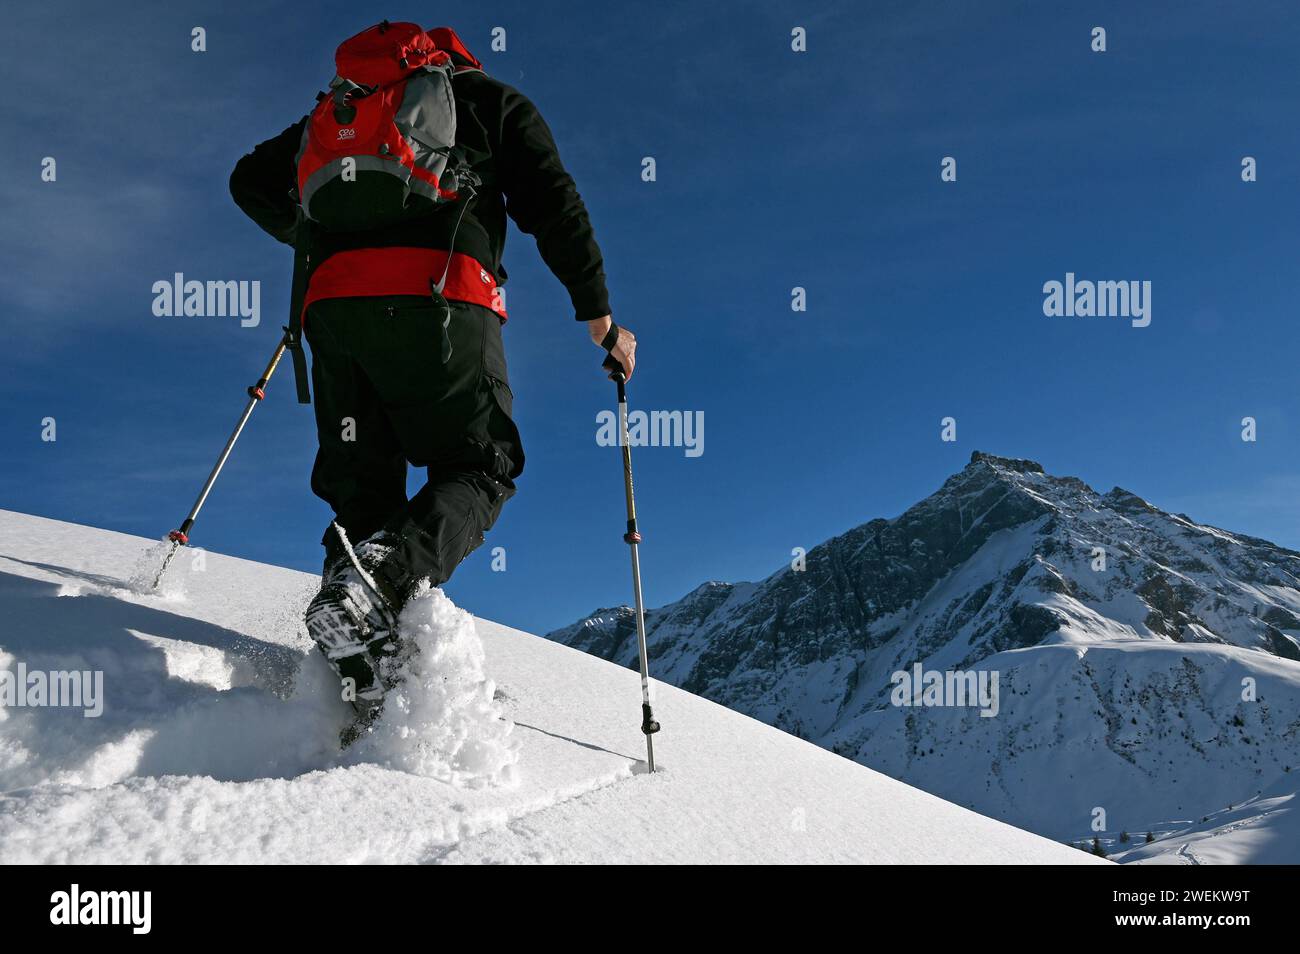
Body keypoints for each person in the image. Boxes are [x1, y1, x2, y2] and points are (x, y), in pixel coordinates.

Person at [229, 25, 636, 736]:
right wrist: (599, 318)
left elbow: (248, 182)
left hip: (335, 314)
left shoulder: (338, 111)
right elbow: (553, 201)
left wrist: (324, 243)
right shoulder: (486, 100)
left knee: (363, 484)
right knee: (480, 464)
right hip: (441, 302)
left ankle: (355, 653)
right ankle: (377, 586)